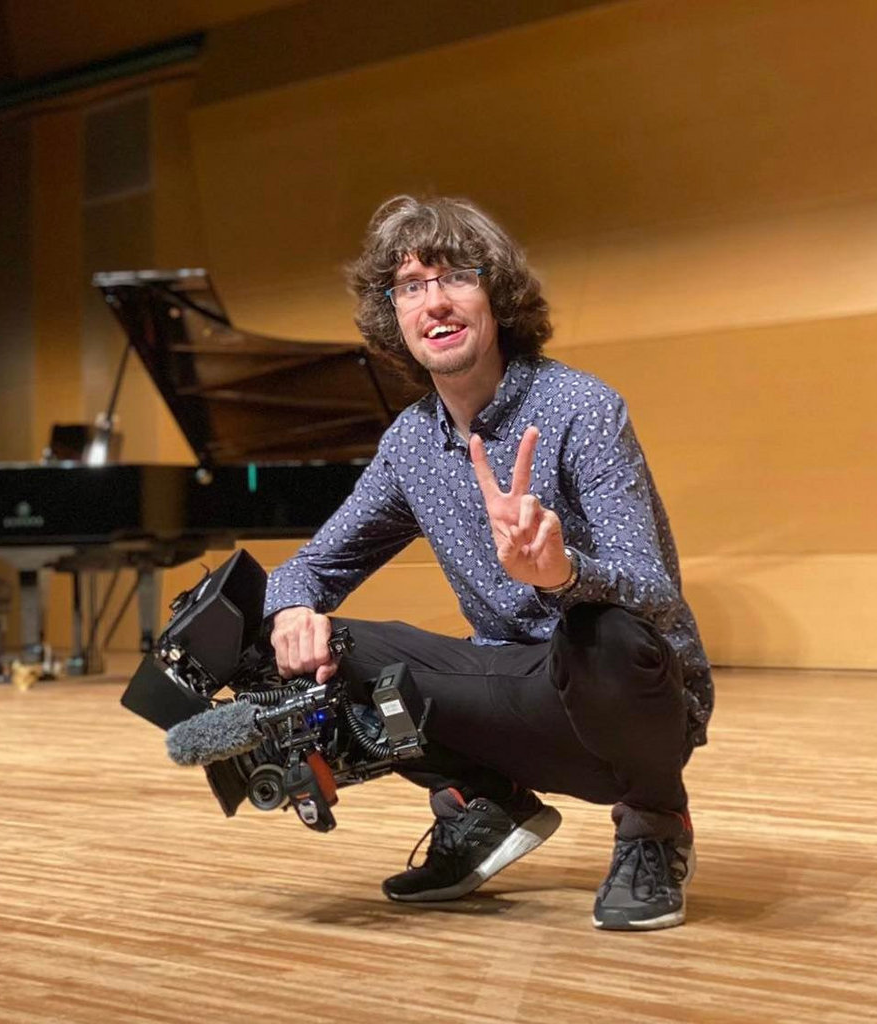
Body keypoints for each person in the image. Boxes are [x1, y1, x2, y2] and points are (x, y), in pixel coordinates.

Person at [264, 195, 713, 931]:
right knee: (306, 647)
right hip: (507, 683)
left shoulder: (582, 408)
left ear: (496, 295)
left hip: (622, 699)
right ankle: (485, 807)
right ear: (394, 315)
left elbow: (654, 590)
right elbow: (313, 566)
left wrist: (564, 574)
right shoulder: (411, 442)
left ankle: (654, 827)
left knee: (605, 630)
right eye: (410, 286)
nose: (434, 302)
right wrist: (291, 610)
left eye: (455, 277)